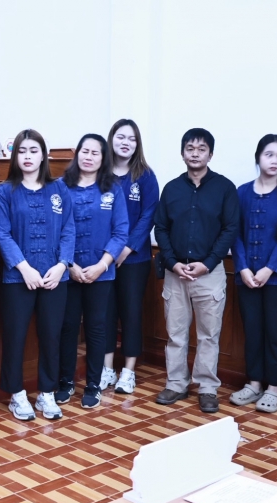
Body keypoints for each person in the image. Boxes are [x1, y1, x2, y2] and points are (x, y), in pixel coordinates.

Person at [153, 128, 239, 413]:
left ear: (210, 154)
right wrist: (172, 262)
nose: (195, 153)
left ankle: (207, 387)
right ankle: (176, 383)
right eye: (190, 148)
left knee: (208, 334)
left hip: (209, 273)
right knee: (176, 334)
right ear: (182, 153)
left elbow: (230, 229)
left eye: (201, 149)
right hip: (175, 273)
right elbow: (161, 228)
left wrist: (208, 263)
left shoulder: (224, 188)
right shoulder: (172, 189)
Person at [0, 129, 74, 421]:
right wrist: (23, 267)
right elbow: (1, 233)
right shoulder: (5, 192)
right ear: (15, 156)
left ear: (44, 155)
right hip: (18, 278)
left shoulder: (59, 189)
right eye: (22, 151)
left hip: (55, 277)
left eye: (33, 151)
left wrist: (63, 265)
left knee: (51, 335)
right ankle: (16, 394)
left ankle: (47, 393)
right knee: (15, 336)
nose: (27, 156)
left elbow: (68, 228)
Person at [230, 134, 277, 413]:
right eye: (269, 154)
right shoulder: (242, 193)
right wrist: (243, 268)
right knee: (252, 331)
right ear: (258, 157)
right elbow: (235, 233)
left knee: (276, 332)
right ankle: (254, 383)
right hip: (246, 276)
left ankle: (275, 389)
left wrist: (269, 269)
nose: (275, 160)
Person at [57, 134, 128, 408]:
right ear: (77, 154)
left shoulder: (113, 189)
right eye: (84, 151)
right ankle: (65, 382)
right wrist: (70, 265)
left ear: (103, 158)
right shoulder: (61, 186)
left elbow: (121, 232)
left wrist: (101, 265)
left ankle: (93, 385)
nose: (88, 157)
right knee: (67, 327)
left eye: (94, 153)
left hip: (101, 272)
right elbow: (56, 230)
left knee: (97, 328)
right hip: (68, 271)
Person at [102, 119, 159, 394]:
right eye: (121, 137)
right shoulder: (100, 173)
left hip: (134, 259)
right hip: (103, 259)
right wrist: (108, 254)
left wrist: (126, 249)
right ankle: (106, 368)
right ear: (111, 139)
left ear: (138, 144)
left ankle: (128, 371)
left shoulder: (145, 175)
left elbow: (149, 215)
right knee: (105, 313)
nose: (126, 142)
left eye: (132, 138)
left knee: (131, 313)